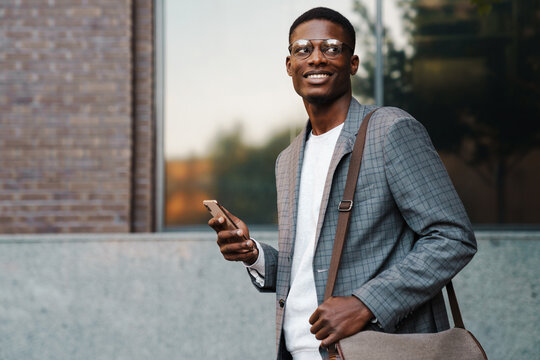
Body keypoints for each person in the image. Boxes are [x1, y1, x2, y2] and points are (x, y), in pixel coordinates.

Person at [208, 7, 477, 360]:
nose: (316, 58)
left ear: (353, 62)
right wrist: (254, 255)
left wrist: (365, 304)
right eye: (303, 49)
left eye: (332, 48)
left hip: (376, 350)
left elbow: (452, 237)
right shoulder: (287, 160)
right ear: (289, 65)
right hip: (300, 351)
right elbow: (308, 267)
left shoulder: (390, 130)